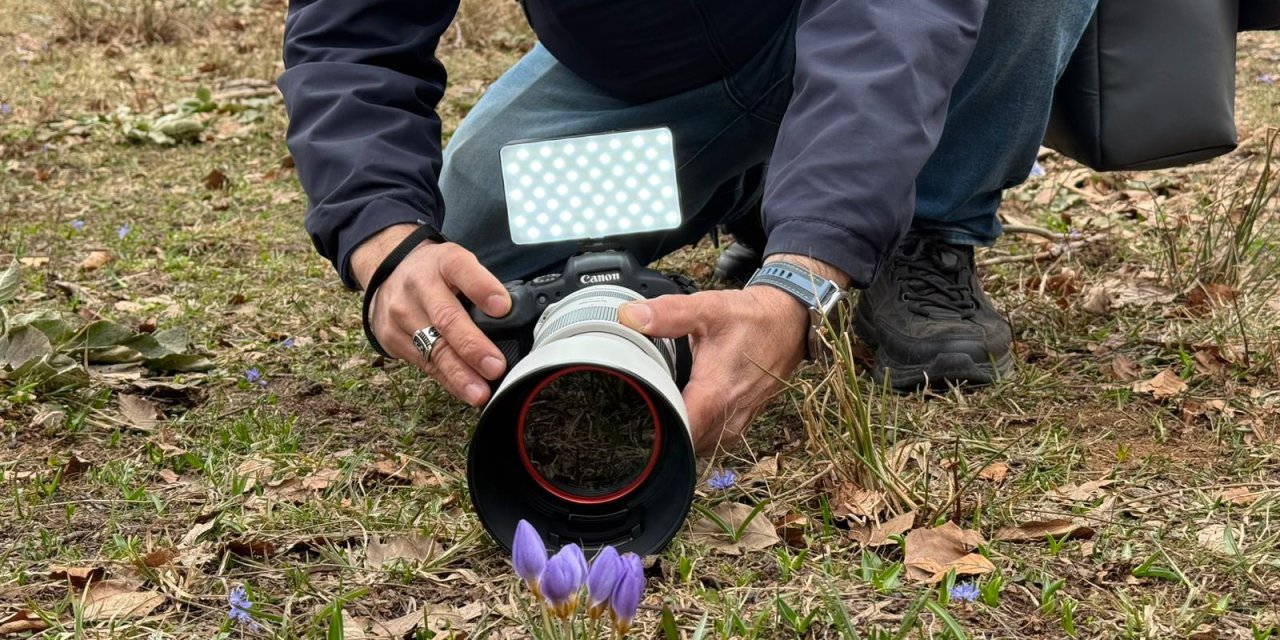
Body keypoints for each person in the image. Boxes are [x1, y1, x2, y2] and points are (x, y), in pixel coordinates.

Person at [279, 0, 1098, 454]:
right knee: (475, 245)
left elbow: (895, 21)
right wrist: (385, 240)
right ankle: (757, 186)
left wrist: (802, 278)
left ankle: (930, 225)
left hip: (882, 23)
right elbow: (354, 28)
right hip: (655, 80)